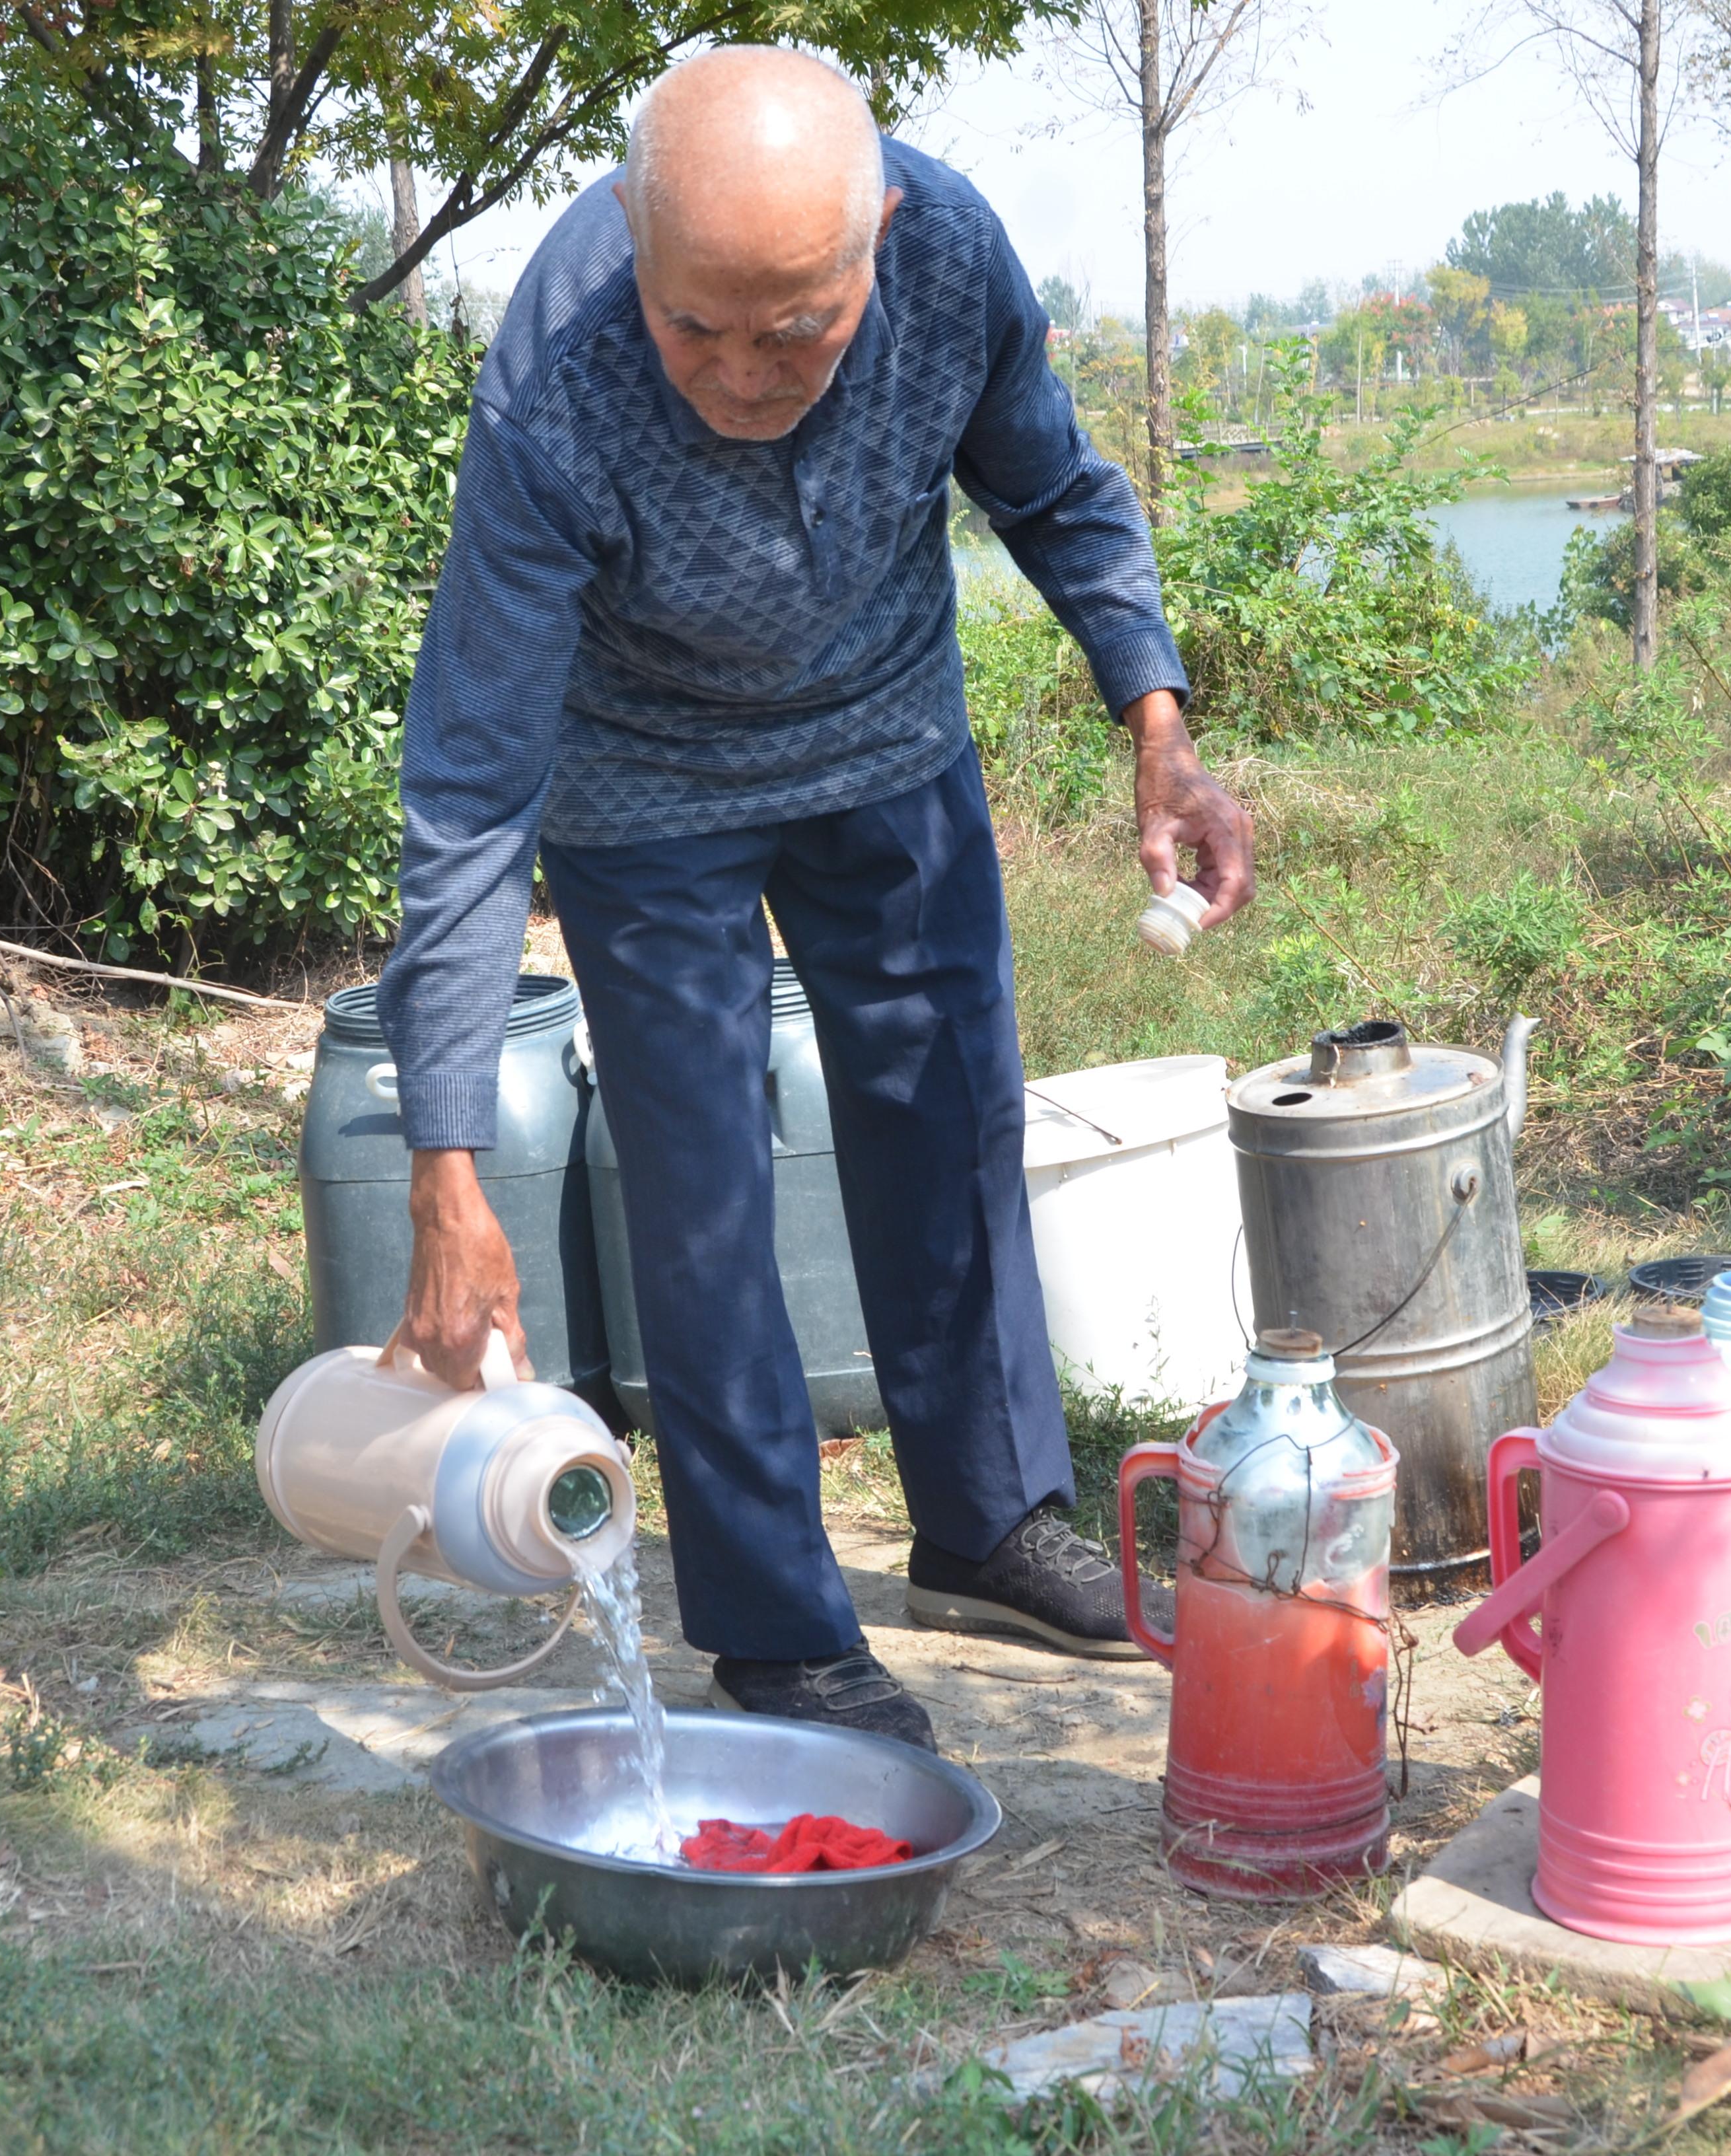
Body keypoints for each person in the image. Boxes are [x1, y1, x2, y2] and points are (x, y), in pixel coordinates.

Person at [374, 45, 1254, 1749]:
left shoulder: (952, 257)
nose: (736, 372)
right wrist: (444, 1166)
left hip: (887, 735)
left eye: (795, 330)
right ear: (635, 236)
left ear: (882, 244)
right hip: (641, 787)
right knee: (701, 1195)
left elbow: (1056, 494)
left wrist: (1161, 730)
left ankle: (988, 1520)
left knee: (950, 1109)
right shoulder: (554, 378)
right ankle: (778, 1628)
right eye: (694, 324)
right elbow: (474, 783)